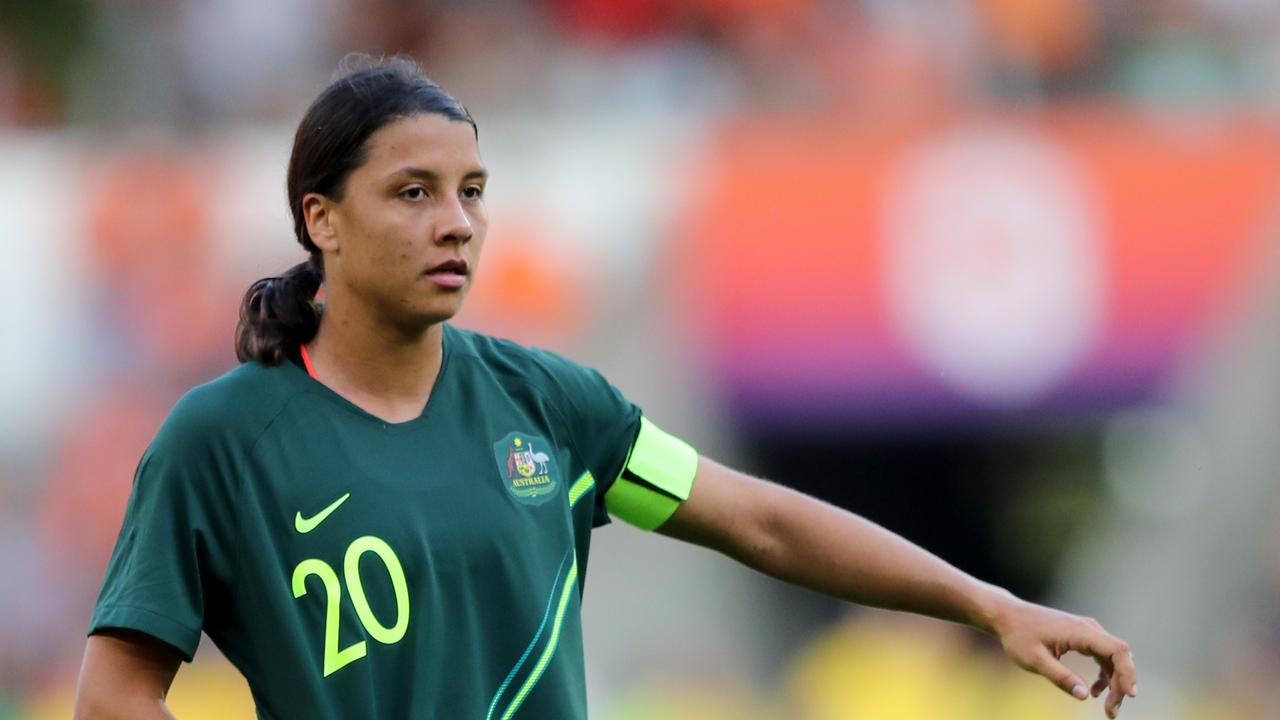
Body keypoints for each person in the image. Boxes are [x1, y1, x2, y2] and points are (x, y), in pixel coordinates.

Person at [74, 58, 1138, 719]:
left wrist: (987, 604)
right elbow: (115, 698)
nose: (455, 223)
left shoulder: (551, 409)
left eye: (471, 193)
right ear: (322, 219)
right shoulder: (220, 441)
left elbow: (760, 522)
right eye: (412, 192)